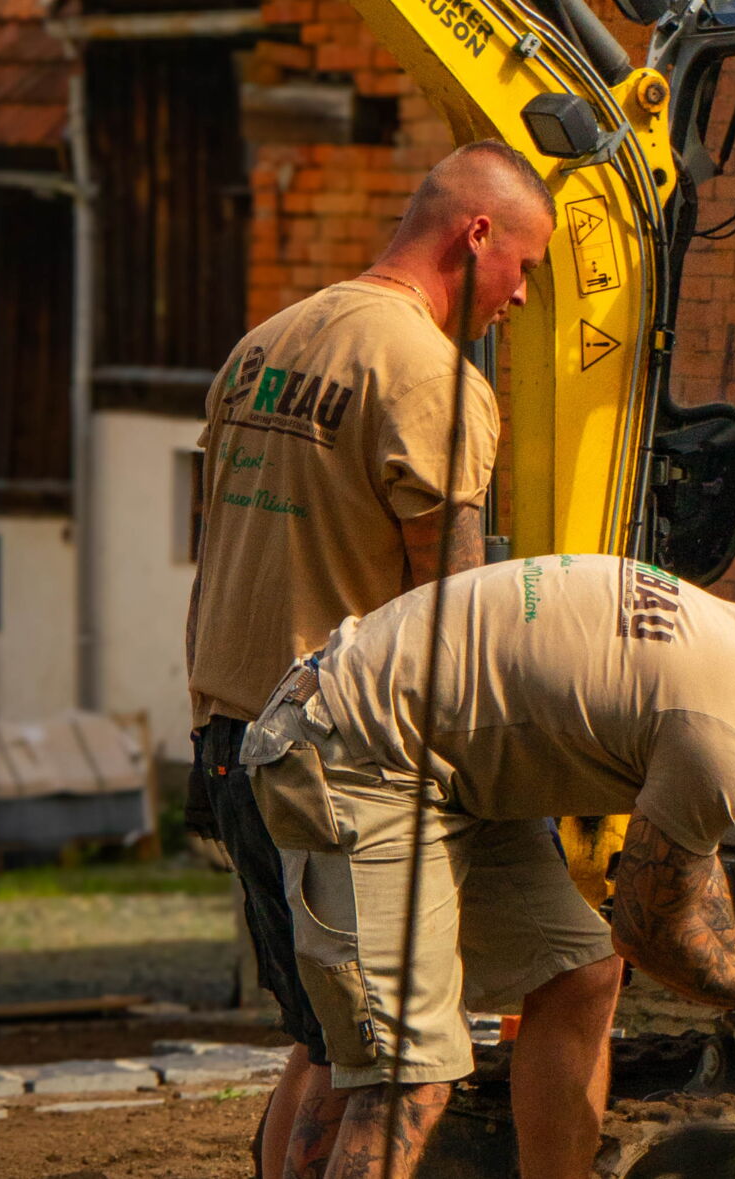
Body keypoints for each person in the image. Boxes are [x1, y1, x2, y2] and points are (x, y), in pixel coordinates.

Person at [238, 553, 735, 1177]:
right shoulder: (716, 732)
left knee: (581, 972)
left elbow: (690, 869)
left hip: (449, 770)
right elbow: (651, 932)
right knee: (405, 1071)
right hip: (359, 750)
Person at [185, 139, 556, 1179]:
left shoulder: (264, 343)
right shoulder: (430, 376)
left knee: (319, 1039)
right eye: (524, 266)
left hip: (230, 735)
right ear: (475, 235)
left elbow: (211, 549)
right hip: (337, 760)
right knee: (391, 1076)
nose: (522, 296)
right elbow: (455, 617)